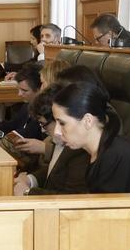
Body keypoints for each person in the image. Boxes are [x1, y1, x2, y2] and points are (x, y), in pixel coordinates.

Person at [47, 80, 130, 194]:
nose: (57, 131)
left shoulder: (114, 156)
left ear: (88, 121)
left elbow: (104, 209)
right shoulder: (100, 150)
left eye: (62, 123)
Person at [13, 65, 104, 196]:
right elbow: (55, 171)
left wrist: (28, 192)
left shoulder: (83, 143)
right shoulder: (70, 131)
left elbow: (71, 198)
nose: (57, 131)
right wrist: (30, 180)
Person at [0, 61, 47, 149]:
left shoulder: (42, 113)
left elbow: (27, 134)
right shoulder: (26, 106)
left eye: (24, 90)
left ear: (39, 89)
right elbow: (12, 125)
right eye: (19, 89)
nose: (19, 94)